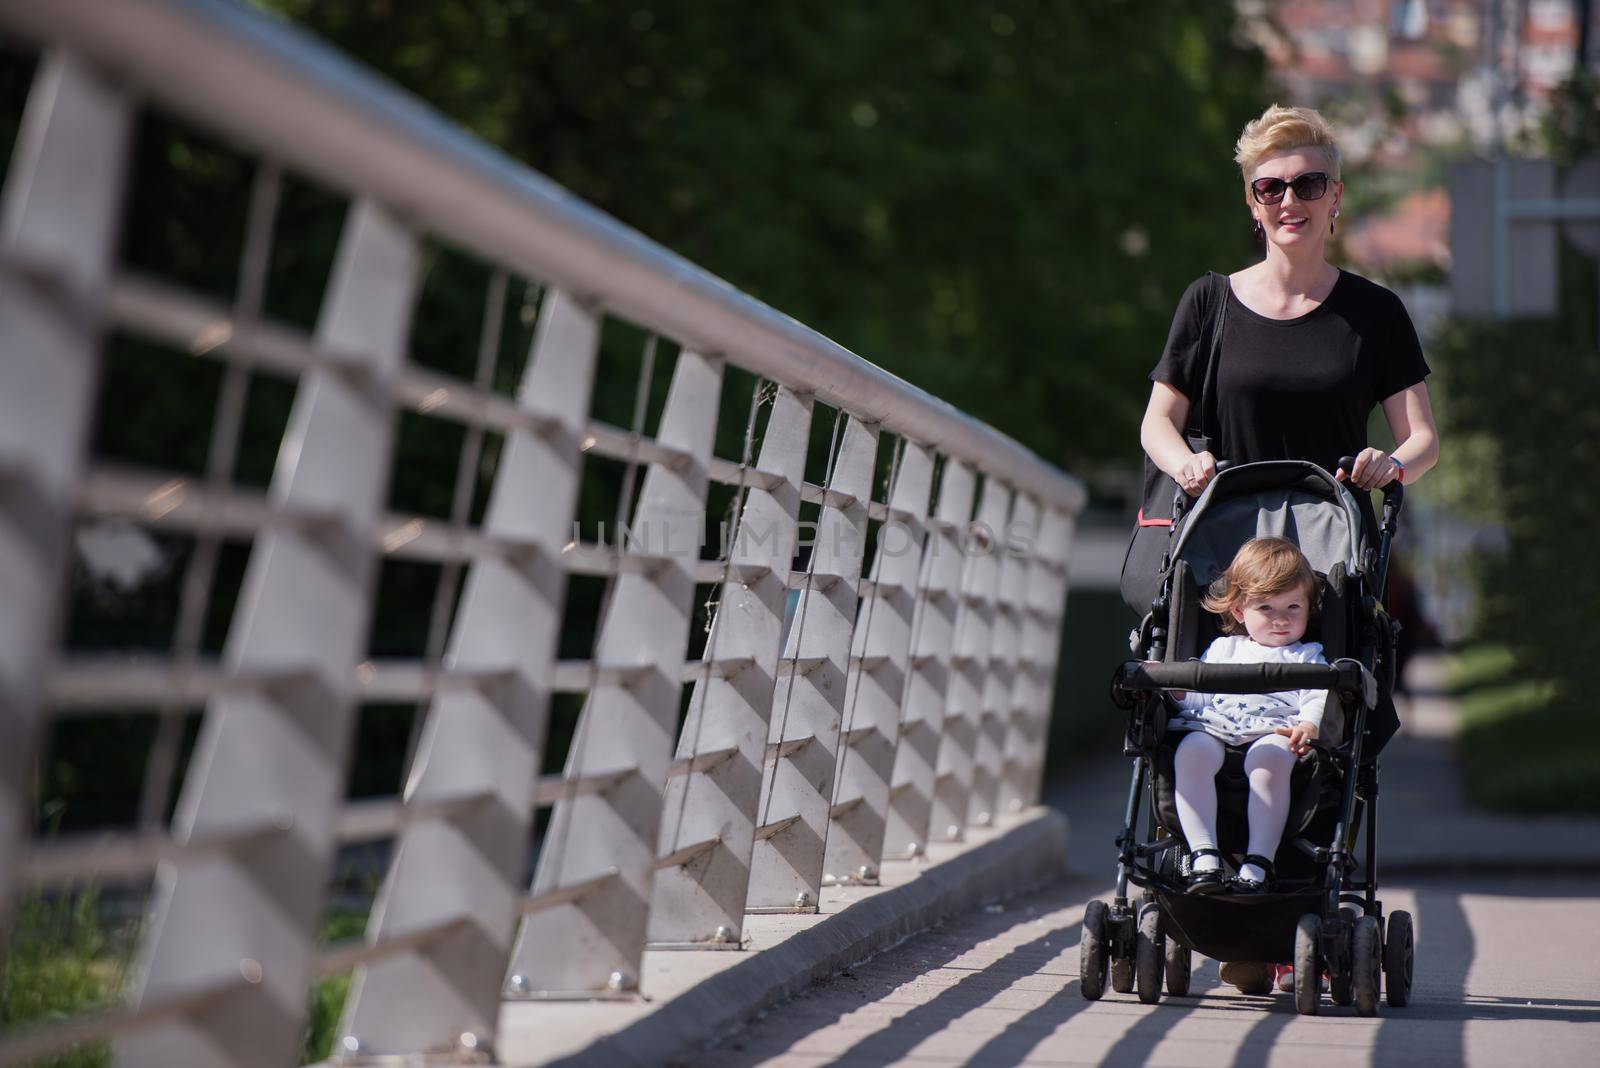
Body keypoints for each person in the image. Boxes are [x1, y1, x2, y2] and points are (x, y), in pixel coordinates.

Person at [1139, 103, 1442, 994]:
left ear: (1335, 197)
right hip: (1227, 548)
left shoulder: (1372, 313)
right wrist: (1186, 462)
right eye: (1271, 188)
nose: (1290, 201)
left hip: (1329, 557)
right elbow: (1159, 421)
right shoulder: (1210, 304)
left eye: (1308, 184)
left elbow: (1423, 437)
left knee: (1328, 714)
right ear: (1251, 201)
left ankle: (1279, 893)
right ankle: (1221, 894)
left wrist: (1391, 464)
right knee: (1190, 704)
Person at [1169, 538, 1327, 897]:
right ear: (1239, 610)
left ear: (1308, 607)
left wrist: (1308, 725)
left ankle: (1259, 861)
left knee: (1268, 758)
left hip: (1274, 731)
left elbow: (1318, 696)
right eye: (1267, 608)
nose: (1282, 619)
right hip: (1216, 728)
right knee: (1190, 750)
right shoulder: (1225, 649)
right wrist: (1177, 691)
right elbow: (1199, 700)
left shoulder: (1307, 656)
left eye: (1293, 607)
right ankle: (1204, 853)